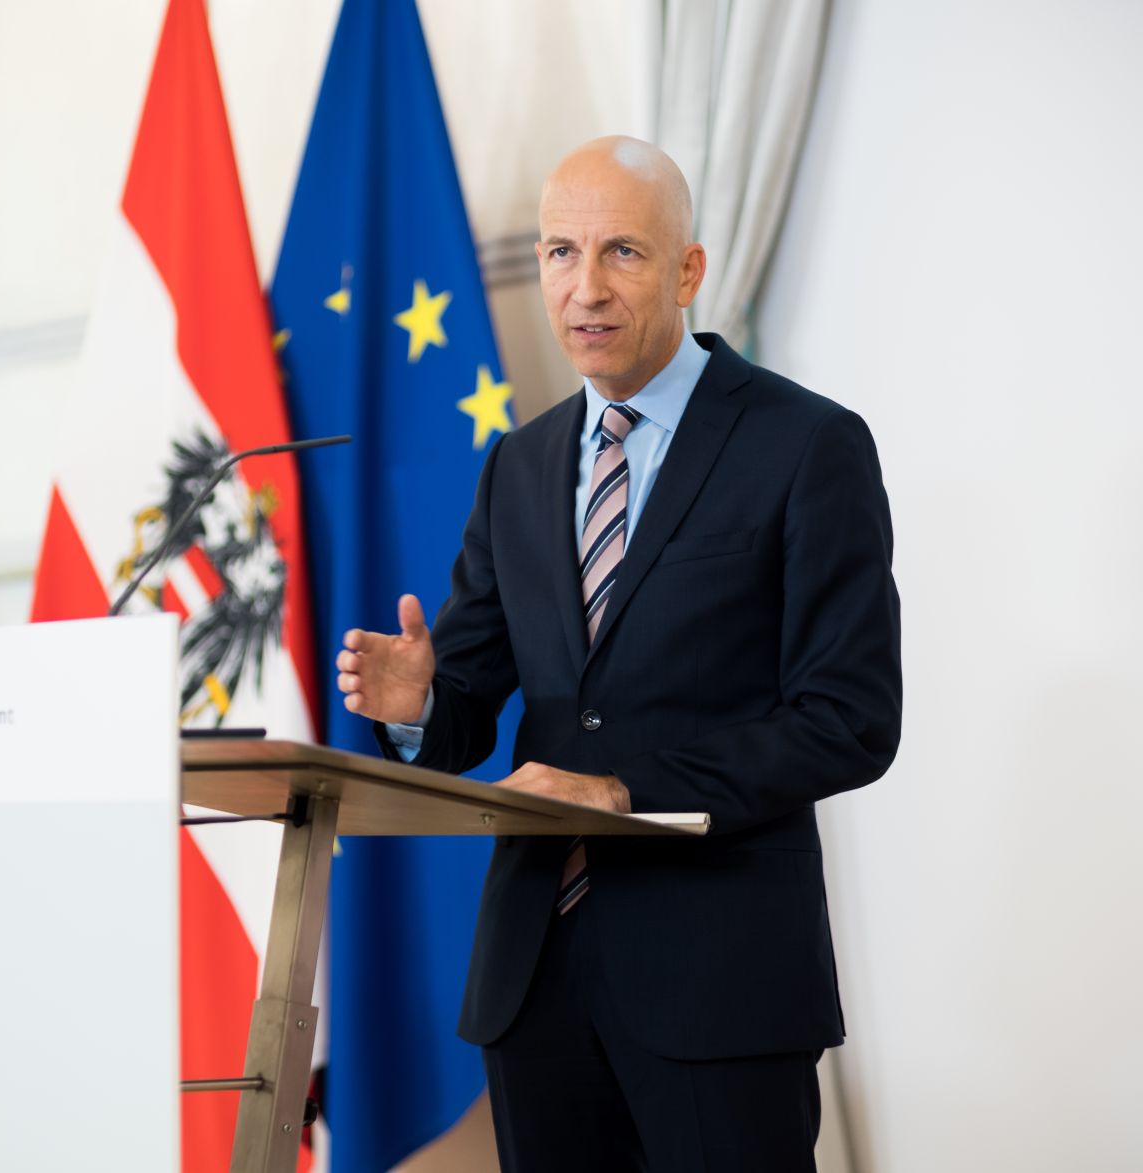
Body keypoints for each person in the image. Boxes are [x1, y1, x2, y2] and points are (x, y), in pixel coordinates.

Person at [333, 136, 902, 1171]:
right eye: (557, 252)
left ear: (685, 269)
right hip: (533, 979)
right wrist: (419, 703)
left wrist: (624, 791)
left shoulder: (805, 445)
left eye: (621, 254)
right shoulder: (519, 463)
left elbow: (847, 720)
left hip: (720, 986)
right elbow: (466, 708)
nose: (581, 288)